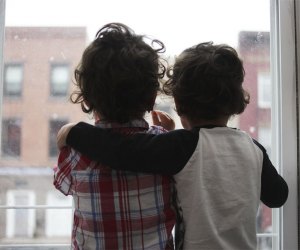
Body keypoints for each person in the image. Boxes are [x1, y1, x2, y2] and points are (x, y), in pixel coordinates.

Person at [57, 42, 289, 250]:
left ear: (178, 104)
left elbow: (124, 150)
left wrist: (76, 132)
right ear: (237, 100)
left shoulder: (182, 146)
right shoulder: (253, 147)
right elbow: (278, 196)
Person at [53, 22, 178, 250]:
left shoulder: (76, 152)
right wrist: (168, 136)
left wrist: (70, 134)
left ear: (87, 99)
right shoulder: (167, 148)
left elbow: (62, 184)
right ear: (151, 99)